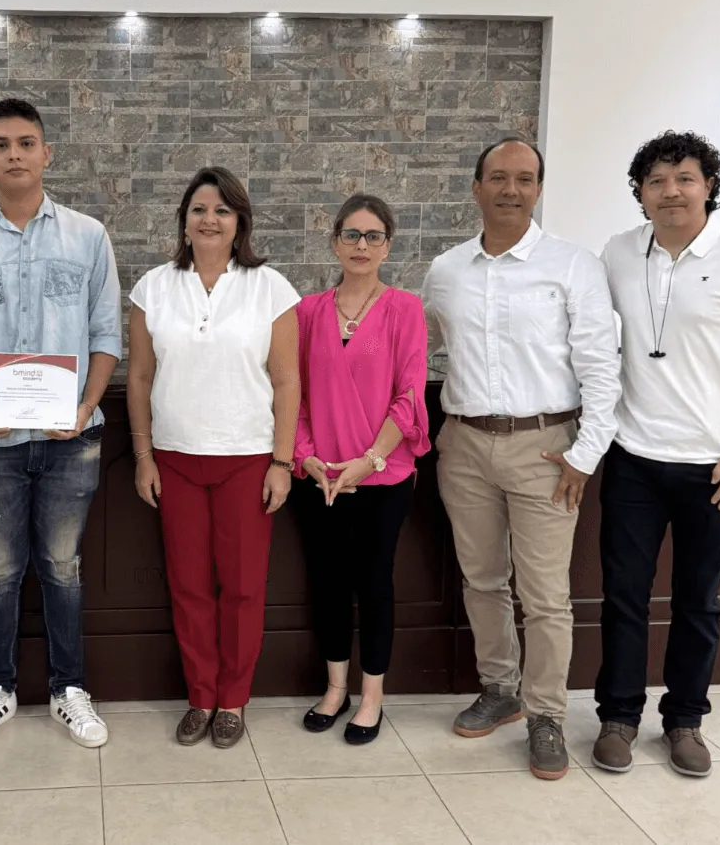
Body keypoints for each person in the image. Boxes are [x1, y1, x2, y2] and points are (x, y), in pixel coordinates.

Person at [421, 137, 621, 780]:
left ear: (539, 188)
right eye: (499, 177)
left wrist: (583, 456)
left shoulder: (573, 266)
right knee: (482, 580)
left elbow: (601, 367)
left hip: (547, 449)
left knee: (545, 596)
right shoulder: (446, 270)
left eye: (525, 179)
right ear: (476, 187)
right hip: (464, 445)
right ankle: (499, 689)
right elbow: (416, 350)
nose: (512, 189)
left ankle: (546, 716)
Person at [0, 98, 120, 750]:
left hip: (72, 440)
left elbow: (105, 333)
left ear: (46, 153)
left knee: (63, 568)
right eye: (1, 144)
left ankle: (69, 689)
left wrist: (83, 406)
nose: (14, 154)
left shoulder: (88, 236)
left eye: (26, 143)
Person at [127, 166, 301, 749]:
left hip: (247, 459)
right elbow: (140, 377)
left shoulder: (270, 288)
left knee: (243, 588)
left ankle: (233, 700)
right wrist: (143, 455)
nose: (209, 219)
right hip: (175, 458)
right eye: (199, 209)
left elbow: (287, 380)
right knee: (189, 587)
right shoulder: (152, 288)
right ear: (184, 221)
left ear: (239, 222)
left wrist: (282, 462)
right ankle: (200, 696)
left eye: (222, 210)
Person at [591, 131, 720, 778]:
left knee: (698, 600)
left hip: (713, 464)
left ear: (709, 186)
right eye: (657, 181)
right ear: (641, 194)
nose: (671, 191)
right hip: (634, 456)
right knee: (623, 596)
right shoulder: (619, 252)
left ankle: (685, 721)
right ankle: (618, 717)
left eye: (685, 178)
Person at [291, 194, 429, 744]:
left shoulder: (405, 309)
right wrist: (305, 456)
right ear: (334, 242)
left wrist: (369, 460)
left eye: (373, 236)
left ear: (388, 247)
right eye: (351, 234)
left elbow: (409, 395)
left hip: (382, 475)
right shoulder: (307, 312)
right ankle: (335, 688)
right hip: (321, 477)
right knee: (327, 582)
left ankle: (371, 695)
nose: (362, 245)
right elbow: (295, 394)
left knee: (374, 583)